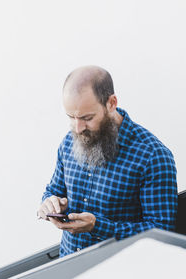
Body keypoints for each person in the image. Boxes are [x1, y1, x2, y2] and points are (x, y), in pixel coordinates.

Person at [37, 65, 178, 257]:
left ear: (111, 103)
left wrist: (98, 226)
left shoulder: (153, 156)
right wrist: (49, 202)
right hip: (68, 266)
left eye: (87, 118)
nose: (78, 128)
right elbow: (54, 189)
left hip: (121, 274)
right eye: (71, 117)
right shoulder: (68, 142)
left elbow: (161, 233)